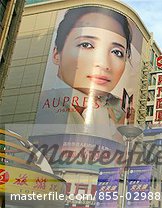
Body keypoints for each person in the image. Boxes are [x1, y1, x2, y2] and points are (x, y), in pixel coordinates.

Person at [49, 6, 134, 141]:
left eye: (117, 52)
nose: (104, 64)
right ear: (56, 54)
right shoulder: (45, 103)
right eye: (86, 45)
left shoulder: (120, 109)